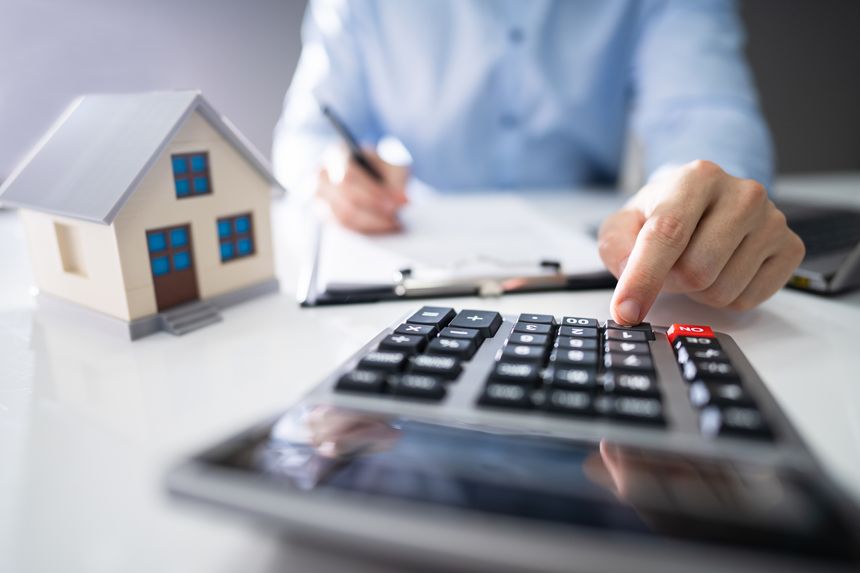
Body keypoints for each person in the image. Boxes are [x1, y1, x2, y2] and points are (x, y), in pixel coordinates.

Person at [272, 0, 805, 325]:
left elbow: (703, 111)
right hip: (411, 253)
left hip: (596, 262)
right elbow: (306, 133)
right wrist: (330, 168)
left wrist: (696, 196)